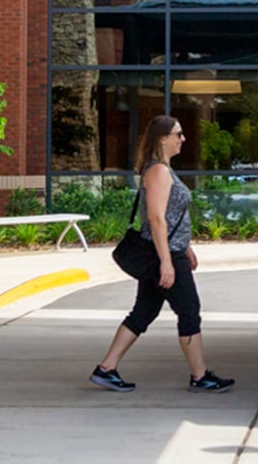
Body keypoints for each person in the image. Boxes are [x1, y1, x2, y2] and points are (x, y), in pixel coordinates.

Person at [90, 115, 236, 394]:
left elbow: (171, 216)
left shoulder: (164, 170)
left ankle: (106, 368)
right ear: (163, 138)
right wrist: (167, 262)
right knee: (189, 310)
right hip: (163, 255)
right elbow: (156, 219)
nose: (183, 139)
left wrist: (186, 246)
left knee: (144, 311)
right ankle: (200, 376)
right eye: (178, 134)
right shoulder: (157, 171)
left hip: (170, 251)